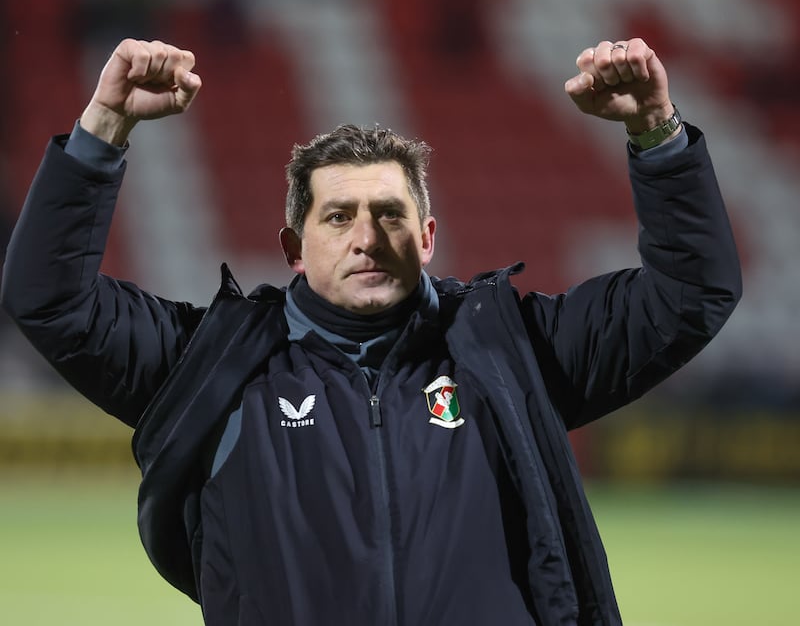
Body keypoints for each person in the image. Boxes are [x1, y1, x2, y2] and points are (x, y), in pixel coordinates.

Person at [0, 38, 741, 625]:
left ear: (426, 237)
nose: (366, 237)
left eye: (389, 214)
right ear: (294, 247)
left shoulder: (513, 350)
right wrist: (103, 129)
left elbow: (691, 295)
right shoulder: (211, 364)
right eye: (338, 216)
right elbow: (48, 299)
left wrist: (657, 135)